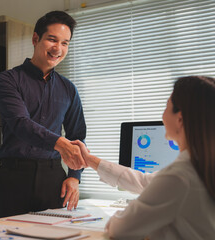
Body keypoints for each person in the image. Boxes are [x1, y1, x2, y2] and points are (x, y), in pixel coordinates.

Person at [72, 76, 215, 239]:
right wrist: (90, 160)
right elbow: (145, 182)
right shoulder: (200, 166)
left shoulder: (179, 176)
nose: (162, 115)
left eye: (166, 107)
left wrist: (123, 214)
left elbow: (120, 229)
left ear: (180, 119)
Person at [0, 11, 87, 218]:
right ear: (36, 39)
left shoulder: (68, 88)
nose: (58, 49)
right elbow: (20, 124)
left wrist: (74, 177)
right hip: (14, 178)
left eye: (65, 43)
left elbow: (77, 135)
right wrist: (61, 144)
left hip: (53, 178)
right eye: (52, 40)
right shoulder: (8, 80)